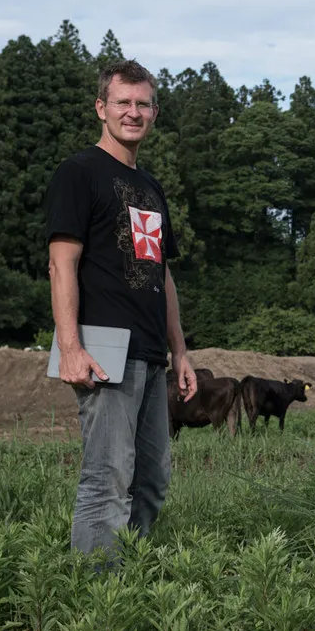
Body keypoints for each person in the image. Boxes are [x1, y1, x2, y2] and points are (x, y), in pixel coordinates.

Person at [45, 59, 198, 562]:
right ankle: (94, 596)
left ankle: (125, 580)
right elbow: (60, 264)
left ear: (154, 112)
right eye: (122, 103)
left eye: (143, 104)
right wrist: (70, 348)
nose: (133, 112)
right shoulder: (79, 173)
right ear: (101, 109)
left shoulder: (151, 188)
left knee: (152, 480)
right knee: (107, 478)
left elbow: (162, 274)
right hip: (105, 348)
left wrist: (181, 352)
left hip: (152, 352)